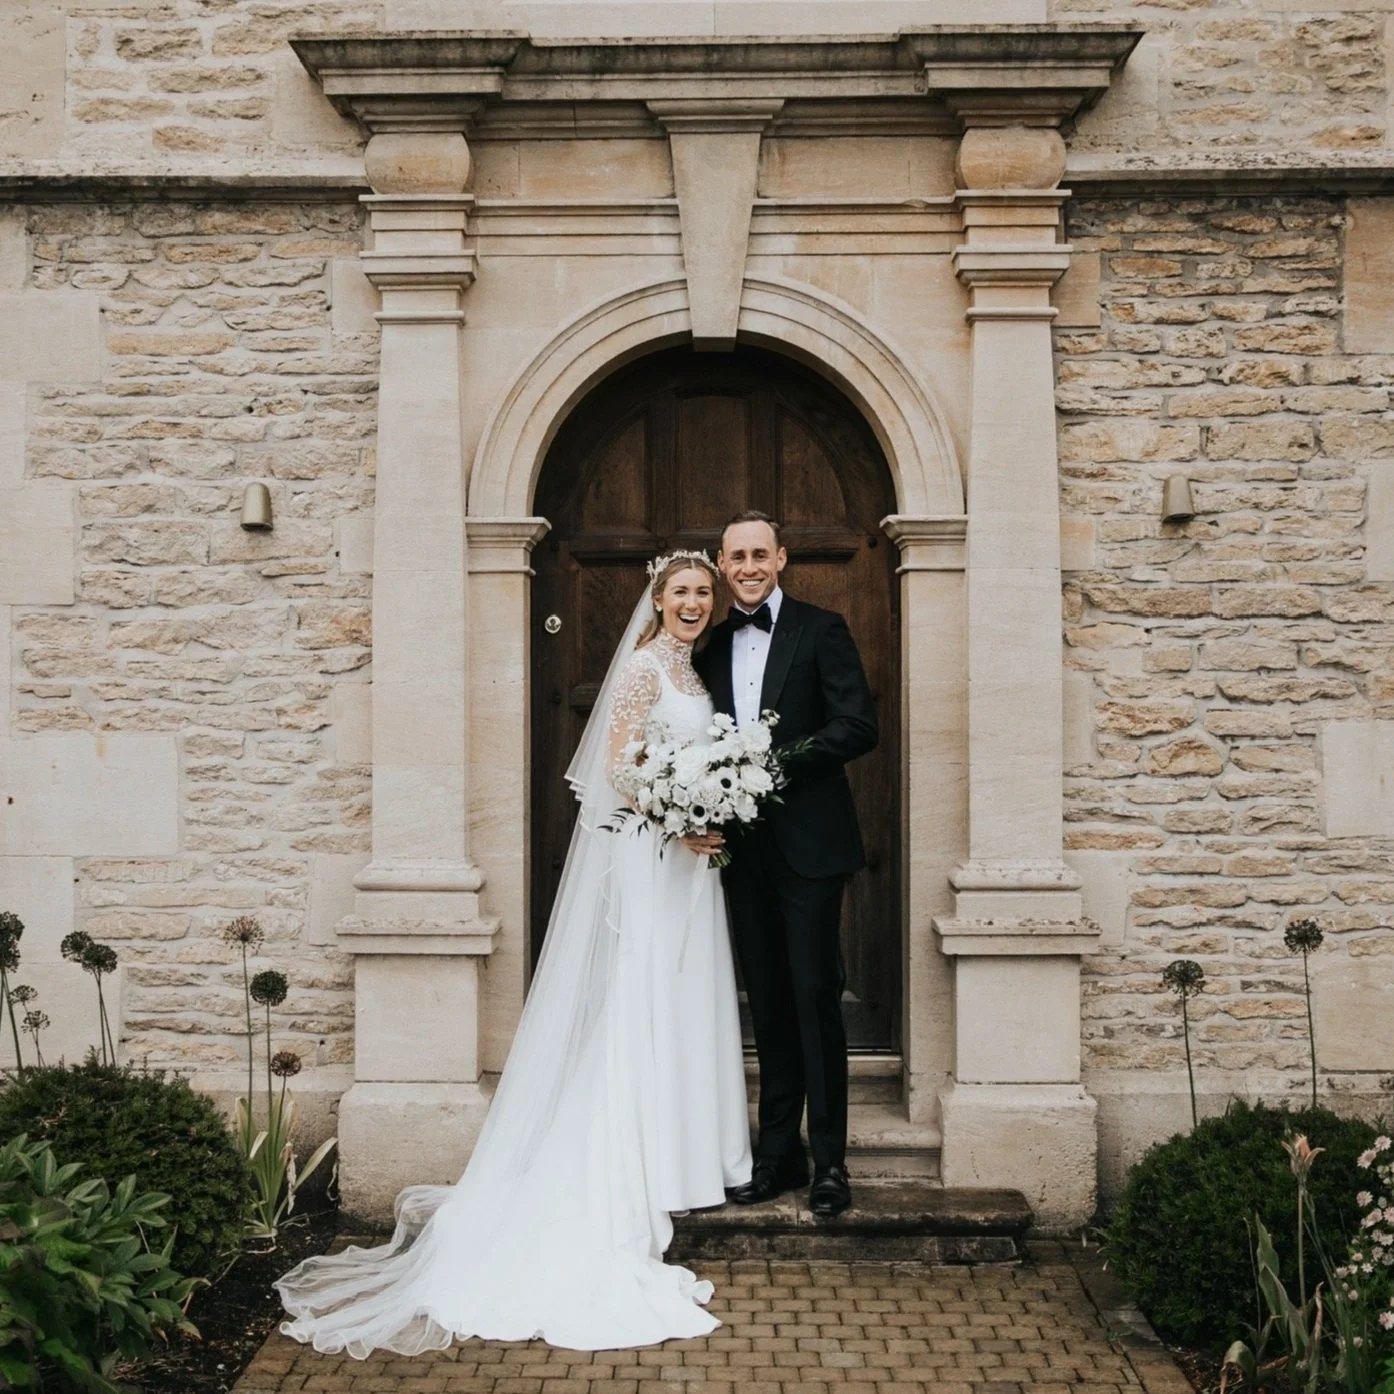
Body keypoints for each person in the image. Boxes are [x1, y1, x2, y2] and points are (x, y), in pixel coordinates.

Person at [275, 552, 752, 1355]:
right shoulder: (642, 669)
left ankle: (685, 1159)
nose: (695, 603)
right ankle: (638, 1170)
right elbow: (618, 768)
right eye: (682, 592)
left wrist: (712, 801)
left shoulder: (694, 673)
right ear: (659, 599)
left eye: (704, 593)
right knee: (640, 999)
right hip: (655, 855)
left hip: (688, 866)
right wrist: (680, 816)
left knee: (680, 997)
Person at [695, 510, 878, 1220]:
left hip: (811, 845)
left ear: (781, 558)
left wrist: (775, 763)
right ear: (721, 561)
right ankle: (777, 1155)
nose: (747, 566)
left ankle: (830, 1159)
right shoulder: (707, 646)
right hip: (740, 852)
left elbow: (856, 723)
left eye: (759, 554)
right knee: (766, 1003)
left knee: (813, 999)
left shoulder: (820, 628)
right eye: (735, 555)